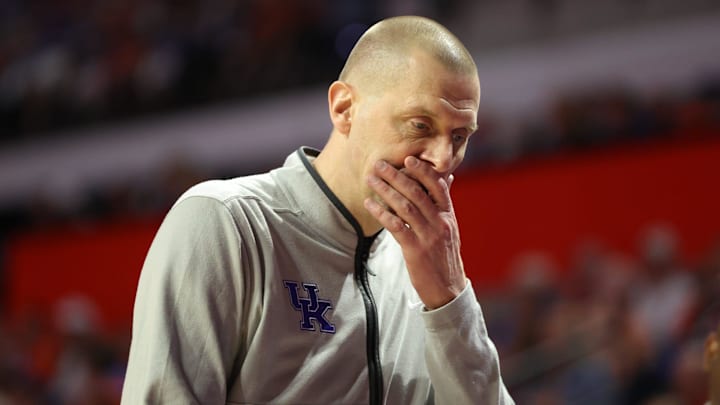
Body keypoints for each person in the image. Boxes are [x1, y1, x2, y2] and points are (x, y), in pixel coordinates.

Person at [121, 15, 513, 404]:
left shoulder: (429, 273)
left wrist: (450, 299)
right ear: (344, 108)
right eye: (420, 125)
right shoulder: (227, 222)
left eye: (459, 136)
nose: (444, 159)